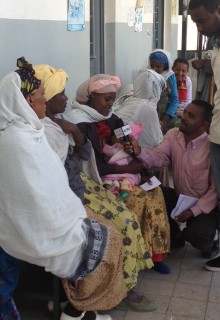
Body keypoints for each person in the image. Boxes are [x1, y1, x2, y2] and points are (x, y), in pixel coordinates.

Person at [0, 57, 128, 320]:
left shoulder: (27, 131)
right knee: (107, 240)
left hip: (47, 217)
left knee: (105, 234)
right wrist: (70, 219)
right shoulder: (18, 140)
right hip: (34, 230)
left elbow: (49, 188)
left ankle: (82, 307)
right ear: (27, 102)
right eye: (42, 95)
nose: (44, 100)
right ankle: (78, 308)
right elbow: (37, 199)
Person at [33, 64, 157, 313]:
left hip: (83, 183)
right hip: (71, 191)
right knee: (116, 224)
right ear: (43, 99)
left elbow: (84, 153)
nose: (66, 99)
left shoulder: (65, 123)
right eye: (60, 95)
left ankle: (127, 282)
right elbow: (66, 170)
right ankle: (110, 290)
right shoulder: (44, 130)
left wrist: (79, 135)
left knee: (131, 214)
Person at [65, 74, 171, 275]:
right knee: (138, 198)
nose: (111, 104)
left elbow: (129, 143)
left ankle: (155, 253)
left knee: (155, 192)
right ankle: (132, 257)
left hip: (125, 173)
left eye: (113, 99)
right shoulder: (80, 124)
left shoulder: (113, 118)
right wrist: (125, 170)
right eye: (106, 99)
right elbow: (91, 166)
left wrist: (135, 155)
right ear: (92, 96)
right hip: (98, 180)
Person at [124, 100, 220, 259]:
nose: (184, 117)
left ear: (203, 125)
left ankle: (212, 240)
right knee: (153, 193)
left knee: (197, 235)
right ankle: (175, 236)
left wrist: (192, 211)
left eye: (191, 116)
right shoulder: (173, 135)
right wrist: (138, 151)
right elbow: (159, 157)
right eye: (186, 112)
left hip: (204, 206)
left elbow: (216, 190)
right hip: (180, 198)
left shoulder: (212, 147)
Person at [188, 0, 220, 272]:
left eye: (202, 20)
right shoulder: (218, 41)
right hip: (219, 136)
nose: (199, 26)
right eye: (195, 22)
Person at [113, 69, 165, 148]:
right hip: (119, 143)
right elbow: (157, 141)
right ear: (157, 89)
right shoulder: (147, 106)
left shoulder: (130, 97)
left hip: (114, 137)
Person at [101, 123, 143, 201]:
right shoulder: (113, 147)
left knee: (127, 181)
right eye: (115, 137)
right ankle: (110, 189)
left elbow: (137, 161)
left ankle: (124, 193)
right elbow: (106, 149)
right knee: (108, 181)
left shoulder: (126, 148)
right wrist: (104, 143)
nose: (119, 140)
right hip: (113, 173)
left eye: (122, 138)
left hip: (127, 174)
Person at [148, 49, 178, 133]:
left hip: (166, 115)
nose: (154, 69)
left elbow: (174, 100)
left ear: (165, 66)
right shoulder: (146, 75)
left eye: (158, 66)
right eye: (151, 66)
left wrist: (164, 120)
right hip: (149, 115)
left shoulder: (170, 77)